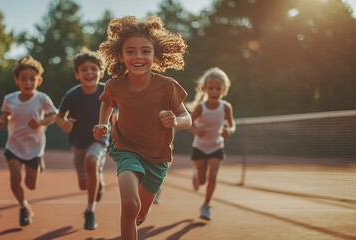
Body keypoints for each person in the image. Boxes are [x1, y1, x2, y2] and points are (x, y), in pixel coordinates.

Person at [92, 15, 192, 240]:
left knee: (140, 213)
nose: (138, 56)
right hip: (127, 149)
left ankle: (138, 216)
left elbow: (187, 116)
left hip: (158, 158)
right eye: (130, 51)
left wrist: (176, 121)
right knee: (130, 205)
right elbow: (107, 101)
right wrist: (102, 123)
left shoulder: (167, 86)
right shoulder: (114, 85)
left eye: (145, 51)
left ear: (155, 56)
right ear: (120, 56)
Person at [0, 56, 57, 227]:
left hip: (35, 148)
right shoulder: (10, 99)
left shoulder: (42, 98)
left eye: (32, 79)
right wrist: (2, 120)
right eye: (24, 79)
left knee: (31, 185)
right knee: (14, 178)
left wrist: (40, 123)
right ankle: (23, 206)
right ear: (17, 80)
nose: (28, 82)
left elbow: (53, 116)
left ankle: (39, 164)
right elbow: (5, 113)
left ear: (39, 80)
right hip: (14, 145)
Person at [56, 48, 109, 230]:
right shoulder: (72, 95)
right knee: (83, 184)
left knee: (91, 160)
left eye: (93, 68)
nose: (89, 72)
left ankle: (90, 210)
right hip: (78, 141)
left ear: (100, 72)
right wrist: (63, 124)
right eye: (84, 69)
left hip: (99, 140)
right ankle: (99, 182)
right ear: (77, 74)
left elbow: (116, 110)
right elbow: (59, 116)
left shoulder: (106, 91)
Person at [186, 67, 236, 221]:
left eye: (218, 89)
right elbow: (188, 123)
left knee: (213, 175)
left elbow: (232, 125)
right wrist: (196, 131)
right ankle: (196, 173)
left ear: (224, 90)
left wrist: (229, 131)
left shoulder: (226, 107)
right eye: (211, 88)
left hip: (216, 146)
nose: (214, 92)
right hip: (200, 146)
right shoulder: (201, 108)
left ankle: (206, 205)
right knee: (202, 180)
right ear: (204, 89)